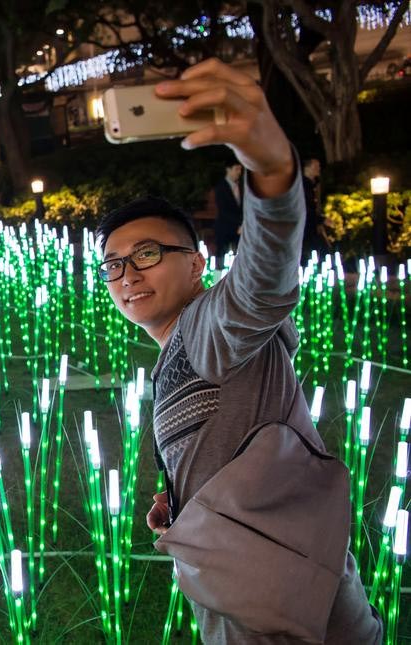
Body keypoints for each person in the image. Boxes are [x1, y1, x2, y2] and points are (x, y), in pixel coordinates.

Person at [94, 59, 380, 643]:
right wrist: (183, 494)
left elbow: (263, 277)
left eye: (147, 253)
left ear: (197, 264)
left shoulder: (210, 325)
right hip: (279, 573)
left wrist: (273, 173)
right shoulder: (181, 343)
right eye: (114, 264)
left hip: (267, 599)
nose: (127, 274)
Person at [212, 159, 243, 264]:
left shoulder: (241, 186)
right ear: (228, 170)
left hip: (241, 228)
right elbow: (223, 210)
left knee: (240, 254)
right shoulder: (221, 187)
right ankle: (217, 275)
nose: (239, 172)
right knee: (221, 253)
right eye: (236, 169)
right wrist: (238, 224)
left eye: (240, 169)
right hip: (225, 226)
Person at [301, 157, 328, 261]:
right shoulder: (304, 186)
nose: (319, 169)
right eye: (316, 166)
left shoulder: (314, 185)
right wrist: (321, 219)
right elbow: (306, 209)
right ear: (308, 168)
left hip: (312, 226)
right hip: (306, 227)